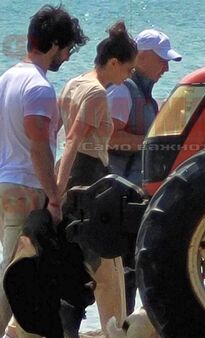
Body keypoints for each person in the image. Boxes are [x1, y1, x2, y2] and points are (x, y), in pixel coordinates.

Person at [0, 4, 87, 337]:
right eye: (65, 49)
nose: (65, 57)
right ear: (53, 45)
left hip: (6, 182)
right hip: (25, 188)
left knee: (19, 268)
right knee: (14, 271)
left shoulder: (6, 79)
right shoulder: (38, 87)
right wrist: (53, 197)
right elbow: (39, 147)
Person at [56, 21, 137, 337]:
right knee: (110, 270)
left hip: (71, 176)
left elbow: (59, 136)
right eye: (128, 70)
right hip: (90, 178)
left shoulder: (72, 84)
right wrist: (57, 190)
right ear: (114, 63)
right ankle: (114, 331)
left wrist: (55, 187)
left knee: (71, 262)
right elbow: (74, 139)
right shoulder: (97, 93)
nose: (128, 77)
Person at [107, 28, 182, 315]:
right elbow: (108, 138)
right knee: (124, 270)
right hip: (118, 197)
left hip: (133, 197)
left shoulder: (146, 97)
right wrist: (151, 145)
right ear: (141, 57)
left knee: (132, 269)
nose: (165, 67)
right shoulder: (123, 91)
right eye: (162, 60)